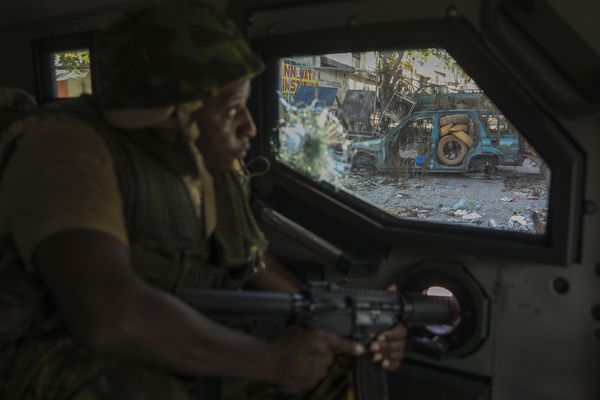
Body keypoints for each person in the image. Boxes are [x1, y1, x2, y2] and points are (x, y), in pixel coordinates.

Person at [0, 1, 406, 399]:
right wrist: (268, 360)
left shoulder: (213, 166)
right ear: (168, 116)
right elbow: (109, 317)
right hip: (53, 349)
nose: (248, 127)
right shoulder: (67, 150)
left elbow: (253, 262)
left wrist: (334, 322)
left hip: (177, 329)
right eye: (232, 109)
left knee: (337, 361)